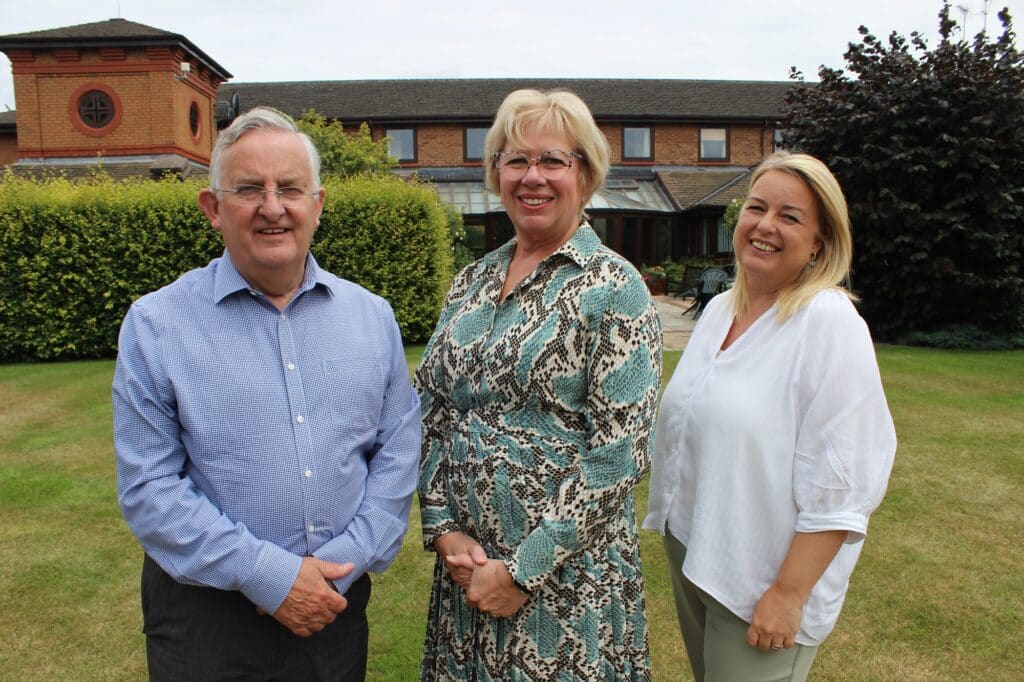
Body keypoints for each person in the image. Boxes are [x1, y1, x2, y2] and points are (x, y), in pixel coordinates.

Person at [112, 106, 420, 681]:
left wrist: (329, 570)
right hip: (208, 619)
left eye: (290, 189)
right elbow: (149, 488)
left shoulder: (372, 317)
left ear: (318, 205)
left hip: (334, 609)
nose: (273, 207)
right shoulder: (157, 323)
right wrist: (271, 576)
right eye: (249, 189)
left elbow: (398, 454)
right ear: (214, 208)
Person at [415, 88, 663, 680]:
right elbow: (431, 409)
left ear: (586, 174)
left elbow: (618, 455)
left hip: (565, 588)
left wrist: (522, 571)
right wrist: (442, 526)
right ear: (495, 171)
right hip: (467, 578)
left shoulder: (613, 288)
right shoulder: (470, 282)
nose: (533, 177)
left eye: (553, 160)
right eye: (516, 159)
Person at [643, 150, 897, 681]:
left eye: (790, 216)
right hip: (698, 553)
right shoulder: (720, 312)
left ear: (820, 240)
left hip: (763, 581)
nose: (765, 226)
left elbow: (845, 478)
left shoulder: (827, 321)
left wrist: (789, 593)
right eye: (757, 208)